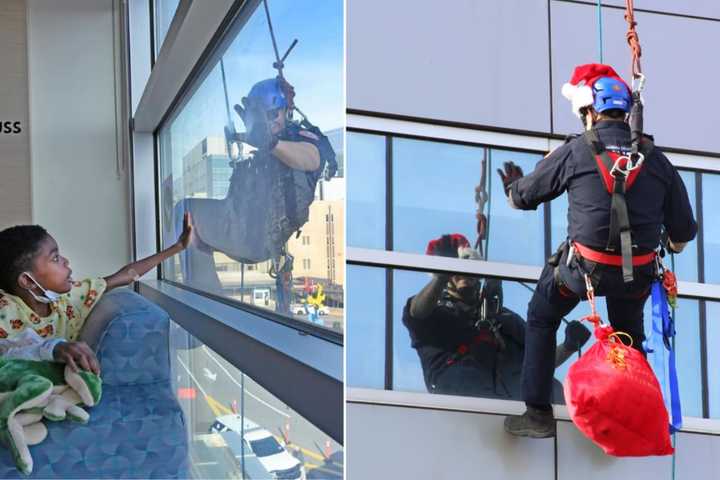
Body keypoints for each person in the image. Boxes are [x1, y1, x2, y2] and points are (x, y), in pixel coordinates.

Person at [500, 64, 697, 438]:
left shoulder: (576, 151)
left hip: (581, 274)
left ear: (590, 112)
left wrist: (515, 185)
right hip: (634, 278)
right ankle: (630, 415)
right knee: (628, 338)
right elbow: (683, 235)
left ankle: (539, 413)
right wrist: (667, 240)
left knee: (542, 318)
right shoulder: (657, 160)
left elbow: (522, 198)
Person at [172, 77, 336, 297]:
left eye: (272, 115)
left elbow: (310, 158)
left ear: (285, 112)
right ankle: (207, 295)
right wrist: (246, 136)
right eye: (261, 119)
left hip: (257, 235)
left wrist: (270, 143)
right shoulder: (271, 142)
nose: (269, 123)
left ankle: (207, 297)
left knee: (185, 211)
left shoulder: (300, 138)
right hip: (244, 226)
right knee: (185, 216)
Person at [402, 234, 591, 399]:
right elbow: (418, 312)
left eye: (467, 267)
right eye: (455, 271)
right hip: (462, 402)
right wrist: (441, 275)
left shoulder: (503, 316)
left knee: (552, 390)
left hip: (512, 401)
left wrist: (568, 346)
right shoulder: (436, 313)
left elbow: (537, 360)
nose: (462, 274)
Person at [0, 212, 194, 372]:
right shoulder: (5, 310)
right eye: (55, 258)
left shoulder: (69, 298)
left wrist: (176, 248)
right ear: (27, 281)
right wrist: (52, 349)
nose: (66, 261)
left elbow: (127, 275)